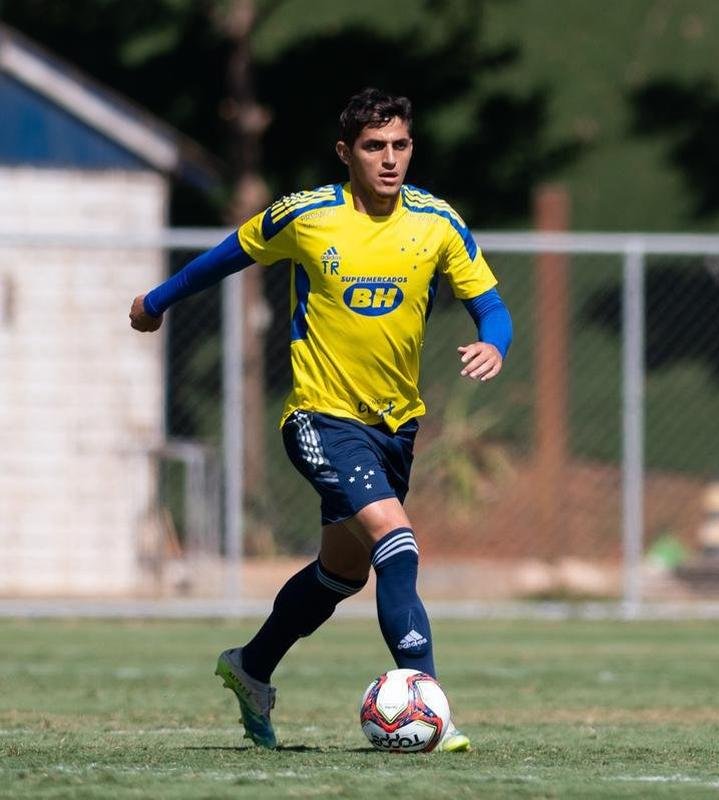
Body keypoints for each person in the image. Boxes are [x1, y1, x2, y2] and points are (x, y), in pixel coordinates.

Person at [130, 88, 513, 750]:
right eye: (374, 147)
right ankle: (429, 704)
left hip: (395, 428)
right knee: (398, 543)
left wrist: (493, 343)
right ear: (346, 153)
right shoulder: (306, 217)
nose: (389, 159)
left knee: (342, 572)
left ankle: (251, 666)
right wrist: (156, 301)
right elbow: (226, 255)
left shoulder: (437, 222)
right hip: (320, 417)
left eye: (399, 145)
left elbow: (493, 307)